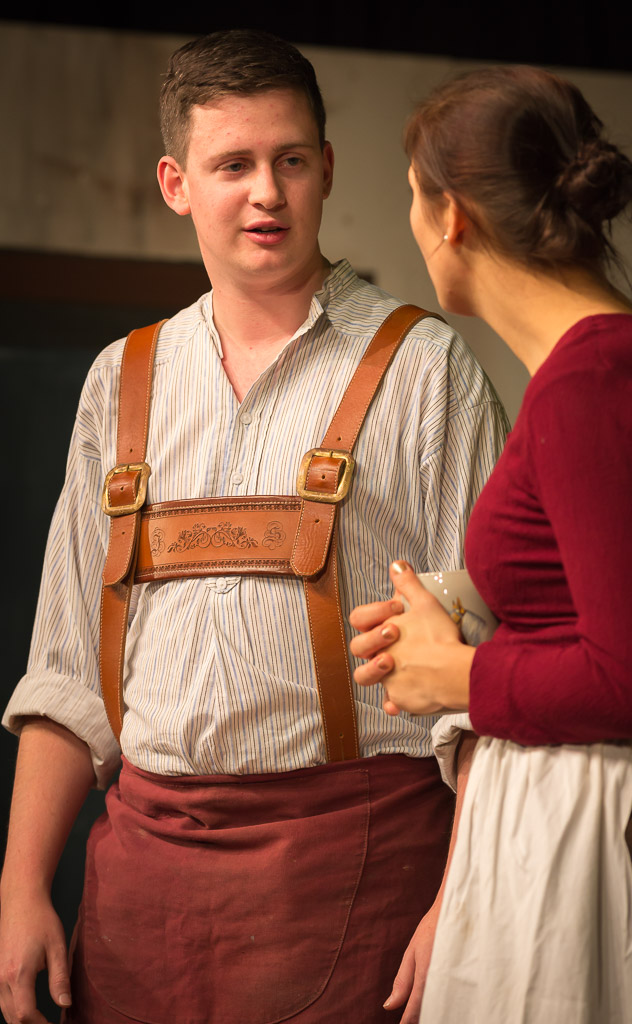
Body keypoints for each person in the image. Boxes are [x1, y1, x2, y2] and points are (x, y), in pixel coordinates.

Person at [0, 30, 507, 1024]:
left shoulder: (425, 369)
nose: (266, 193)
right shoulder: (121, 381)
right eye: (232, 165)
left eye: (290, 160)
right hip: (139, 890)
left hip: (356, 875)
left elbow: (486, 676)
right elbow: (66, 671)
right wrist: (19, 889)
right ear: (176, 184)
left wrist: (459, 900)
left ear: (327, 169)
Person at [349, 65, 632, 1023]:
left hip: (592, 831)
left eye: (411, 198)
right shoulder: (623, 363)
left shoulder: (589, 387)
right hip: (570, 803)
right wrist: (472, 608)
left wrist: (456, 675)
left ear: (450, 216)